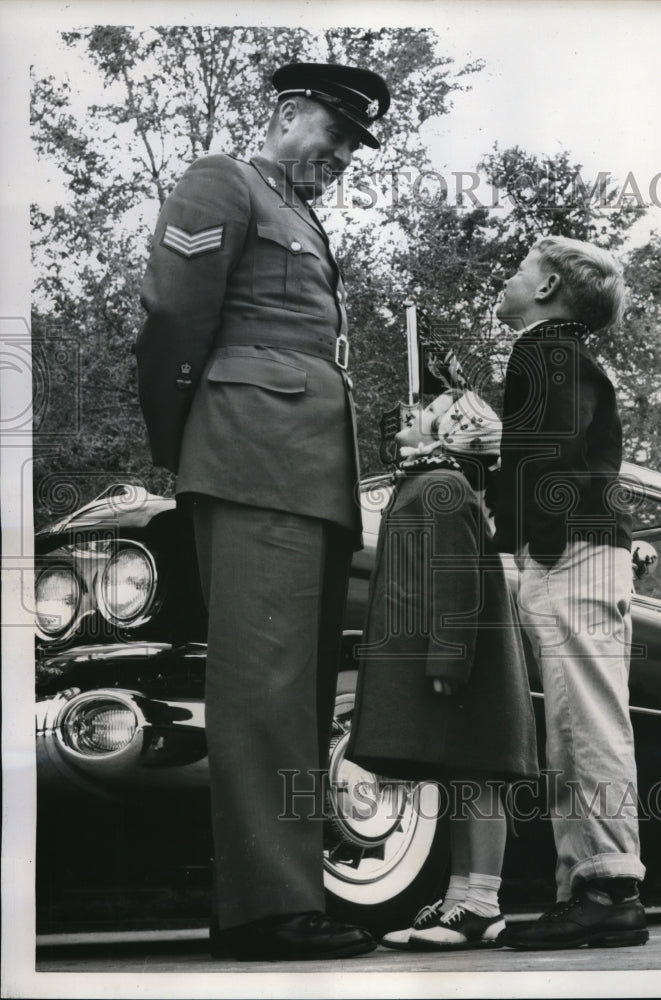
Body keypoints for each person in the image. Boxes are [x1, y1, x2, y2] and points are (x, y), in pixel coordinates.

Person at [135, 62, 390, 962]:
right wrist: (192, 442)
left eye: (356, 144)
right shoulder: (225, 181)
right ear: (285, 113)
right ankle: (266, 909)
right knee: (265, 690)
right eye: (338, 132)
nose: (346, 155)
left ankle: (284, 894)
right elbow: (173, 316)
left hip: (307, 471)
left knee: (301, 697)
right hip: (253, 459)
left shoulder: (302, 214)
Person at [493, 236, 649, 950]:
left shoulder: (543, 350)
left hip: (573, 556)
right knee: (577, 720)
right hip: (588, 553)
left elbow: (550, 456)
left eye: (520, 269)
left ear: (549, 286)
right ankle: (587, 889)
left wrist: (539, 542)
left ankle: (607, 889)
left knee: (583, 722)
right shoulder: (567, 354)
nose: (508, 279)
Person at [346, 389, 539, 950]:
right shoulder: (430, 482)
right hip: (458, 662)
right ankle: (460, 898)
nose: (411, 413)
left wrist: (449, 656)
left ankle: (483, 903)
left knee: (480, 776)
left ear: (449, 434)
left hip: (470, 666)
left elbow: (456, 577)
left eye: (427, 412)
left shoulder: (442, 486)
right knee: (461, 777)